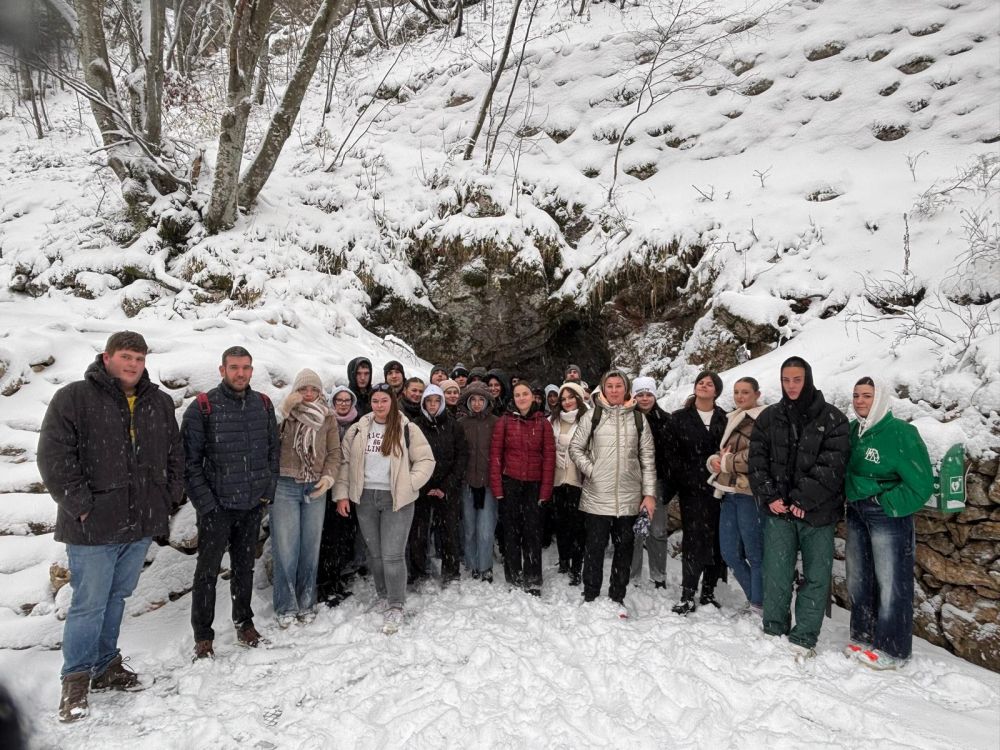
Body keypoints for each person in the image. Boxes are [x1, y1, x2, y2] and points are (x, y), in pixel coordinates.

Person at [38, 331, 184, 722]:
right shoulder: (75, 398)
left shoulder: (158, 402)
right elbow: (53, 457)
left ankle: (105, 666)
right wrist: (82, 506)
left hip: (139, 523)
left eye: (139, 357)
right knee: (88, 603)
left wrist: (169, 496)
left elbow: (174, 452)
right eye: (125, 356)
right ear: (107, 357)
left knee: (117, 597)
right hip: (93, 526)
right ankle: (76, 681)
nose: (133, 364)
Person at [748, 356, 849, 658]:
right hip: (778, 512)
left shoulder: (833, 419)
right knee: (776, 573)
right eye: (786, 380)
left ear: (808, 379)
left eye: (797, 379)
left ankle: (804, 636)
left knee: (816, 578)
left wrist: (803, 499)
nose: (791, 386)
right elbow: (757, 462)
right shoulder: (769, 418)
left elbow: (833, 464)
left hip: (817, 514)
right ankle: (774, 627)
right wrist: (770, 497)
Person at [183, 346, 279, 659]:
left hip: (251, 505)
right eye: (234, 367)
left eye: (246, 367)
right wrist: (207, 505)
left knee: (243, 569)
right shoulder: (203, 407)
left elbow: (272, 453)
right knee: (207, 573)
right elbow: (189, 463)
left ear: (252, 371)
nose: (240, 373)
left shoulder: (262, 404)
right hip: (217, 508)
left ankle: (244, 622)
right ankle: (203, 636)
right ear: (222, 370)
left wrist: (266, 493)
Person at [844, 377, 933, 669]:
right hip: (856, 512)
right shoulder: (855, 430)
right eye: (857, 395)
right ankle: (864, 634)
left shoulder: (901, 433)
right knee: (859, 576)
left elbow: (920, 484)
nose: (860, 401)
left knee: (891, 581)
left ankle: (894, 650)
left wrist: (887, 503)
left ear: (880, 399)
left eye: (867, 396)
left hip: (886, 515)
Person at [334, 384, 435, 634]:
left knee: (392, 554)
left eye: (384, 401)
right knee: (375, 553)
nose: (379, 406)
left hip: (396, 500)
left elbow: (426, 460)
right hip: (366, 498)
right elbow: (345, 462)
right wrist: (342, 495)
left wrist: (409, 484)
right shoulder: (359, 428)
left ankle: (396, 604)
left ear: (392, 402)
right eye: (376, 401)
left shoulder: (407, 428)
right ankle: (383, 595)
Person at [569, 370, 656, 614]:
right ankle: (591, 593)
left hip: (629, 497)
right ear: (603, 389)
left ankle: (617, 594)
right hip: (597, 495)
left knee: (624, 548)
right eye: (610, 386)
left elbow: (647, 458)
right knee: (594, 547)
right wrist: (592, 469)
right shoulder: (593, 416)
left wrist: (649, 494)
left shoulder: (639, 419)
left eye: (619, 386)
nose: (615, 390)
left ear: (626, 389)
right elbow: (576, 448)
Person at [272, 369, 340, 627]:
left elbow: (334, 452)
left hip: (316, 486)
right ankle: (286, 606)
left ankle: (307, 602)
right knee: (286, 550)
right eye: (303, 389)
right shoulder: (285, 416)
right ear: (295, 392)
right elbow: (270, 440)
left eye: (313, 389)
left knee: (311, 548)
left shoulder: (328, 418)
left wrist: (329, 477)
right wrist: (283, 411)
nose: (309, 394)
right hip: (286, 486)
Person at [665, 371, 727, 615]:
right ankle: (688, 593)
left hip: (721, 489)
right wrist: (689, 476)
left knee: (717, 541)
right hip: (692, 489)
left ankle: (709, 591)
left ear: (716, 391)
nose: (704, 385)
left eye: (709, 383)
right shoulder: (679, 418)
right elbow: (671, 454)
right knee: (693, 540)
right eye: (701, 382)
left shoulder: (725, 418)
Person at [707, 377, 767, 615]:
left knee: (755, 552)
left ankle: (759, 604)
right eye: (736, 392)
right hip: (728, 491)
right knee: (729, 552)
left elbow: (758, 455)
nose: (740, 397)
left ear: (757, 394)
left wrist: (725, 462)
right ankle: (756, 599)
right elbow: (724, 453)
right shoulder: (733, 417)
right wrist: (714, 461)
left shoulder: (764, 420)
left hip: (748, 492)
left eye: (745, 392)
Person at [489, 381, 556, 594]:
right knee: (511, 531)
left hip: (534, 485)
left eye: (525, 394)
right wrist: (498, 488)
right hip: (511, 482)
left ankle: (533, 577)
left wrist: (545, 490)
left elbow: (549, 458)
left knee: (533, 532)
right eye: (517, 395)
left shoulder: (543, 423)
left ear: (532, 396)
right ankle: (514, 575)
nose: (521, 398)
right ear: (513, 398)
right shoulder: (505, 421)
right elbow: (496, 457)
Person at [408, 385, 467, 586]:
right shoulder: (415, 426)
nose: (433, 405)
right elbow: (409, 458)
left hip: (446, 487)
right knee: (418, 532)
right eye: (429, 401)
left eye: (436, 401)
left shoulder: (453, 425)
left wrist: (445, 486)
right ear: (423, 403)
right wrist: (422, 485)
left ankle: (451, 572)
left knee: (449, 531)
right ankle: (418, 571)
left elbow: (461, 458)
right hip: (422, 487)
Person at [316, 386, 360, 605]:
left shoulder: (358, 424)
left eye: (347, 400)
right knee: (328, 538)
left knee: (343, 536)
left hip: (349, 488)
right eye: (339, 400)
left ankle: (336, 577)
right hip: (326, 486)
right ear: (332, 402)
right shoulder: (324, 422)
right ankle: (325, 583)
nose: (343, 404)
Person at [629, 376, 672, 591]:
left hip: (658, 481)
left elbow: (673, 454)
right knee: (635, 530)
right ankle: (633, 574)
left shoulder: (666, 420)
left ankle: (658, 574)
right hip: (632, 481)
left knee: (657, 529)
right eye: (640, 394)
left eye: (648, 394)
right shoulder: (627, 418)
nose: (645, 398)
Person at [459, 382, 499, 582]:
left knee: (485, 528)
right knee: (469, 528)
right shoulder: (462, 424)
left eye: (480, 400)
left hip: (488, 484)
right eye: (472, 400)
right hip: (467, 483)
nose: (476, 404)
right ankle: (472, 563)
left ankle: (485, 566)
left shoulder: (495, 422)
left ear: (486, 402)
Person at [551, 382, 588, 585]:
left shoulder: (587, 420)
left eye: (571, 397)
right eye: (563, 398)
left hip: (577, 479)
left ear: (579, 398)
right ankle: (564, 559)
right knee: (561, 523)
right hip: (557, 479)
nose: (566, 402)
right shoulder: (553, 420)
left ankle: (577, 566)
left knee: (577, 526)